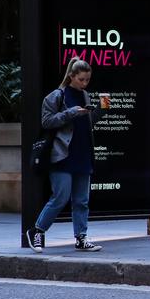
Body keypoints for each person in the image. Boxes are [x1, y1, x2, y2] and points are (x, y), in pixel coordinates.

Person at [26, 58, 105, 253]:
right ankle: (37, 230)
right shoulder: (56, 96)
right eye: (81, 79)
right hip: (62, 154)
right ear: (71, 76)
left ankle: (81, 237)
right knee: (60, 197)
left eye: (87, 80)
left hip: (83, 152)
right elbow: (46, 122)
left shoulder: (85, 95)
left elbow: (87, 123)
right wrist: (70, 113)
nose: (84, 83)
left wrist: (101, 110)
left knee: (82, 200)